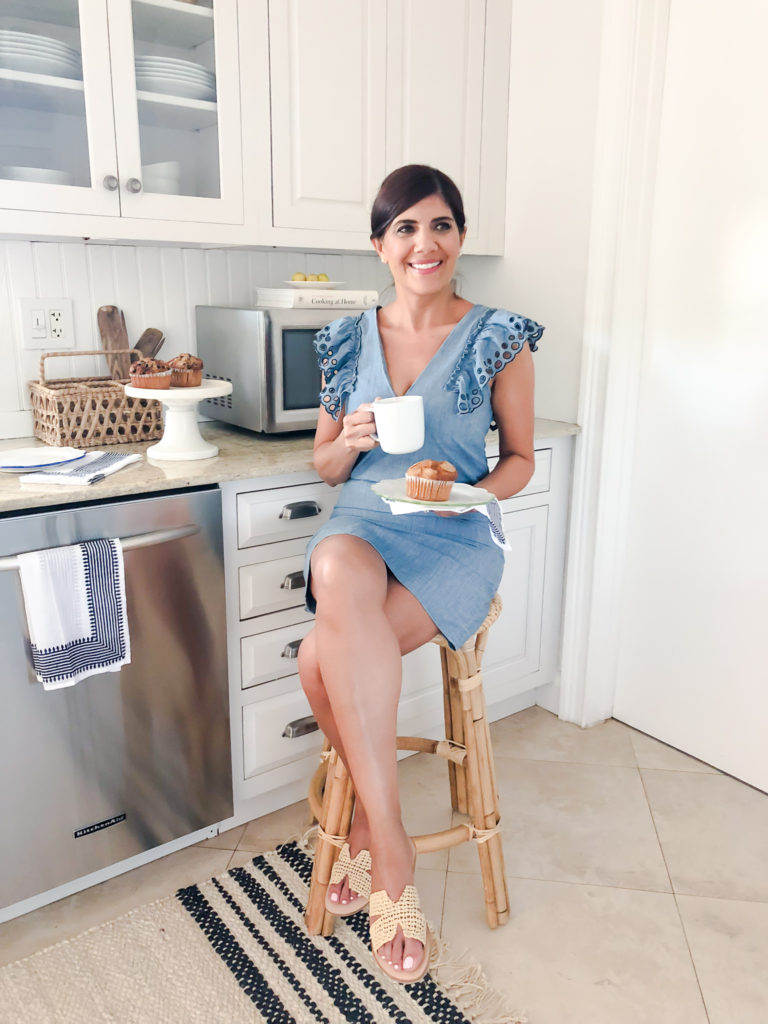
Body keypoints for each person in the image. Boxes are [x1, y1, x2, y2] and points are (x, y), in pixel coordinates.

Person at [297, 164, 542, 984]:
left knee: (314, 660)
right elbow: (326, 467)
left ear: (460, 237)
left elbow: (520, 464)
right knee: (333, 558)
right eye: (404, 229)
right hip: (365, 524)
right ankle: (388, 839)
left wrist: (462, 492)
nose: (423, 244)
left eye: (438, 225)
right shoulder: (344, 340)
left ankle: (373, 837)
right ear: (380, 247)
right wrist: (354, 441)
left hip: (454, 531)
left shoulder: (500, 337)